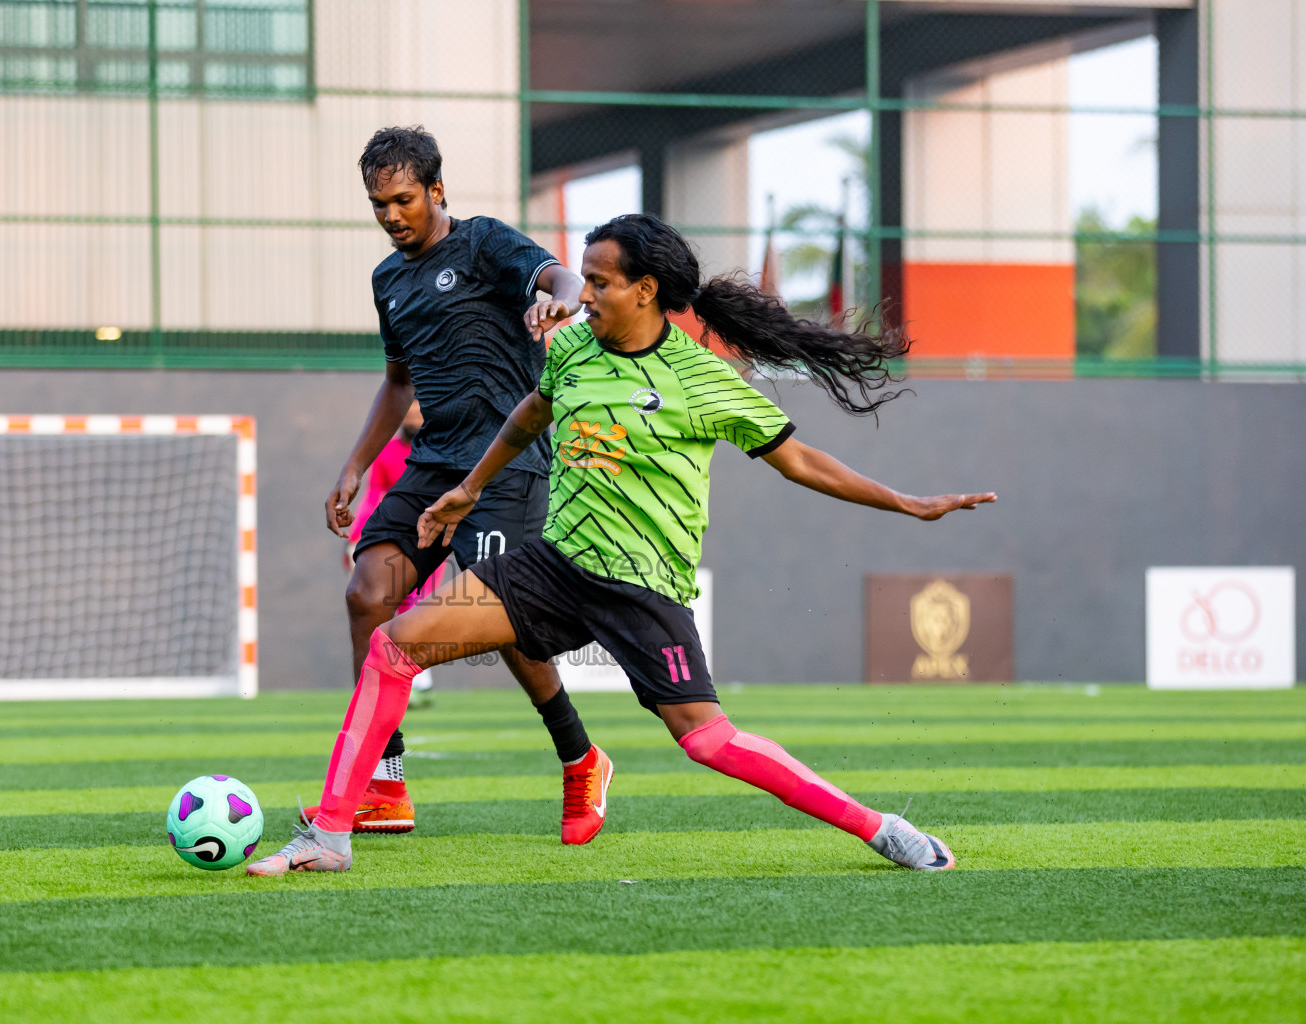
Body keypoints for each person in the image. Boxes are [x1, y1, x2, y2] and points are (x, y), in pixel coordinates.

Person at [250, 213, 996, 877]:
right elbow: (530, 415)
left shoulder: (704, 380)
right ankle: (332, 834)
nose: (588, 292)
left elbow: (799, 461)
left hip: (641, 587)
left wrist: (905, 502)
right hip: (553, 565)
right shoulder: (573, 348)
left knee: (707, 741)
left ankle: (880, 828)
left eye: (601, 282)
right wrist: (470, 488)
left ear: (644, 290)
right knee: (393, 647)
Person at [304, 125, 610, 844]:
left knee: (496, 618)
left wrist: (560, 301)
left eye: (402, 199)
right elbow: (397, 382)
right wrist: (353, 466)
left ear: (436, 190)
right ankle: (386, 785)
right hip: (434, 463)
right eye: (378, 204)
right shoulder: (389, 281)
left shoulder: (484, 244)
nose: (390, 215)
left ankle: (580, 755)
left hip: (506, 463)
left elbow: (563, 277)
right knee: (365, 593)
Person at [344, 401, 441, 715]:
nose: (413, 418)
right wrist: (359, 534)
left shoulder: (437, 449)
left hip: (431, 539)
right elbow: (375, 494)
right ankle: (400, 682)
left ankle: (421, 681)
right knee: (391, 608)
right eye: (408, 413)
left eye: (418, 413)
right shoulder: (387, 453)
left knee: (420, 607)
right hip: (396, 538)